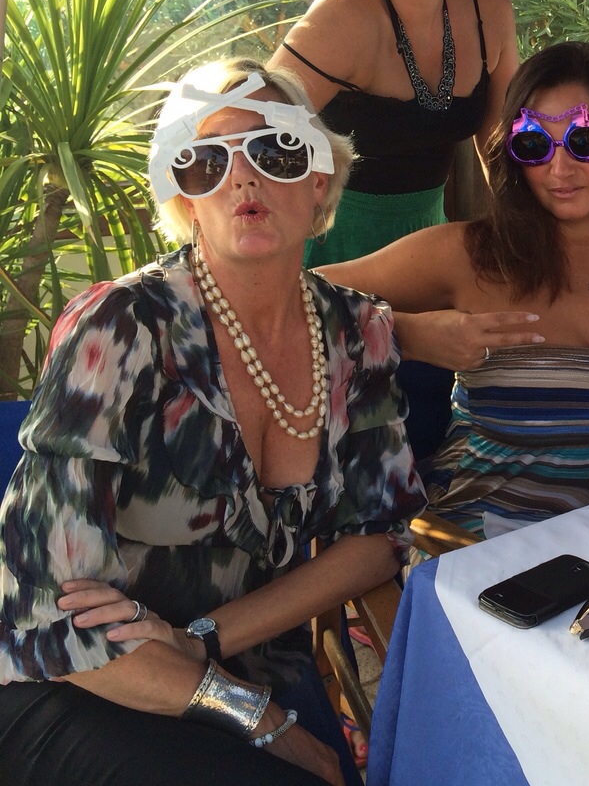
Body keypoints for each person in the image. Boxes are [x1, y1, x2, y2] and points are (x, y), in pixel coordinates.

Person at [0, 60, 428, 786]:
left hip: (242, 659)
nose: (243, 178)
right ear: (184, 198)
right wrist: (258, 719)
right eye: (204, 161)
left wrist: (202, 641)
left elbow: (377, 539)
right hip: (82, 683)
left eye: (276, 150)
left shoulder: (358, 331)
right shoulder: (120, 327)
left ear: (320, 179)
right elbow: (45, 609)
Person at [322, 42, 589, 539]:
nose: (559, 170)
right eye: (535, 144)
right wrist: (405, 334)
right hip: (475, 552)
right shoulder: (470, 254)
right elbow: (289, 294)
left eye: (585, 141)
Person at [268, 0, 525, 458]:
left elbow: (505, 145)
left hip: (429, 251)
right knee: (330, 455)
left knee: (418, 445)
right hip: (330, 257)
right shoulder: (342, 16)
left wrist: (536, 238)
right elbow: (252, 137)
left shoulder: (488, 8)